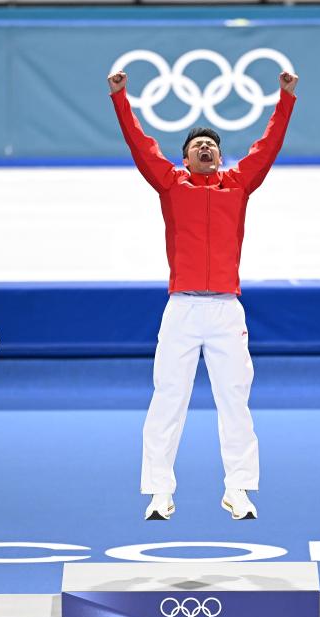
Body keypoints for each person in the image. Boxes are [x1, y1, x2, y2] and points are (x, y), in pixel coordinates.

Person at [108, 68, 298, 521]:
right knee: (168, 398)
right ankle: (159, 491)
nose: (206, 148)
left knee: (235, 399)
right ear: (185, 158)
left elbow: (267, 146)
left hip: (227, 310)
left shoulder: (239, 183)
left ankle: (238, 489)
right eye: (198, 145)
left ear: (220, 155)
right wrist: (120, 97)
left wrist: (285, 99)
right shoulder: (170, 183)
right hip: (182, 308)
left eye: (212, 144)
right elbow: (140, 145)